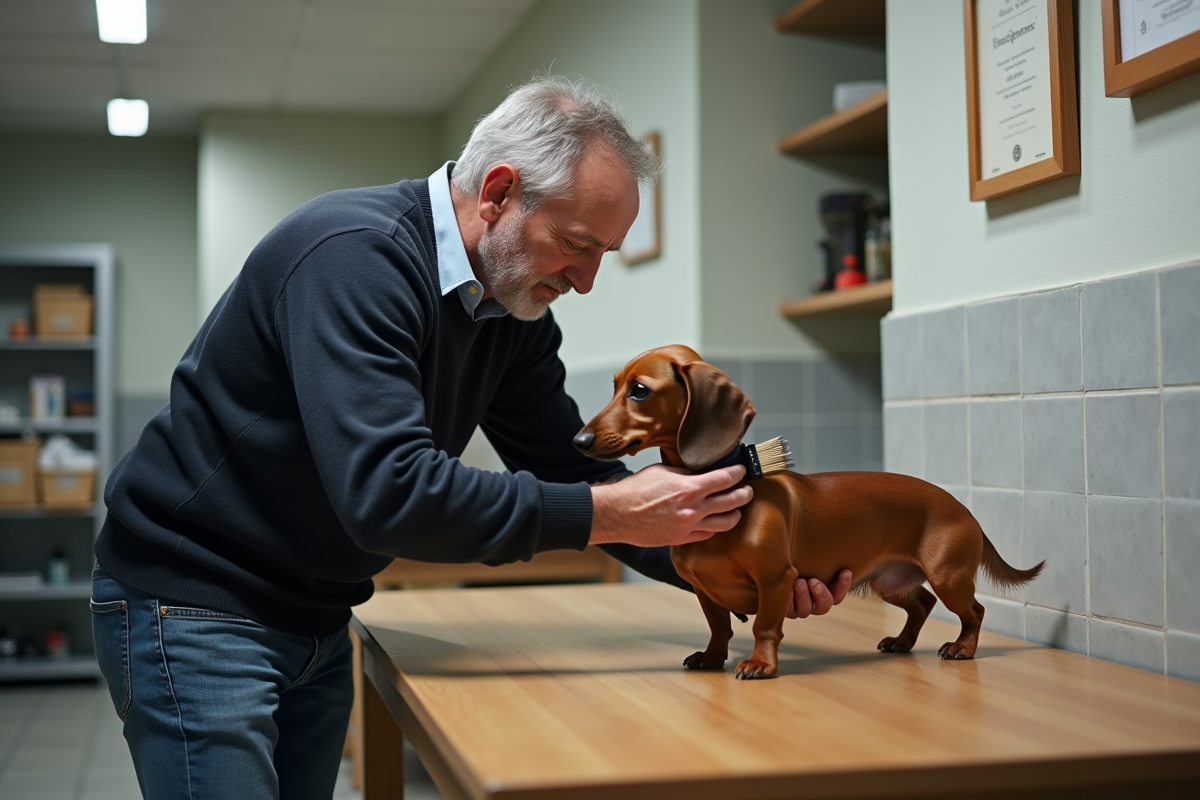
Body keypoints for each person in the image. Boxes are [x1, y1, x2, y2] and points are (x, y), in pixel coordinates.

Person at [90, 76, 851, 800]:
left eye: (602, 257)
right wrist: (613, 514)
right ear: (498, 193)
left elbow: (567, 467)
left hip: (314, 611)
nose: (585, 281)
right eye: (577, 244)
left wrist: (744, 571)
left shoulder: (511, 316)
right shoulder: (353, 257)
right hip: (191, 603)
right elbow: (389, 494)